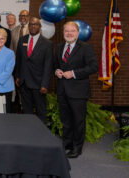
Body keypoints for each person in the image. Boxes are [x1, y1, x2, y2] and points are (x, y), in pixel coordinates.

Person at [55, 21, 98, 158]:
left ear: (78, 33)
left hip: (78, 91)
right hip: (62, 89)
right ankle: (67, 143)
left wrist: (73, 73)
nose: (69, 33)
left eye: (72, 31)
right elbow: (56, 64)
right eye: (66, 31)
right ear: (63, 33)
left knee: (78, 120)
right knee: (65, 119)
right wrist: (56, 71)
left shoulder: (86, 48)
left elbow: (93, 67)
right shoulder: (59, 47)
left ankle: (77, 147)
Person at [15, 17, 52, 124]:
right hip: (24, 82)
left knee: (41, 111)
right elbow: (19, 60)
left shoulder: (47, 43)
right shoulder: (22, 40)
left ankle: (41, 136)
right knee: (27, 111)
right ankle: (28, 133)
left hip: (39, 84)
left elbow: (48, 66)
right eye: (31, 24)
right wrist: (17, 76)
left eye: (35, 24)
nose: (33, 26)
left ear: (40, 27)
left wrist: (45, 84)